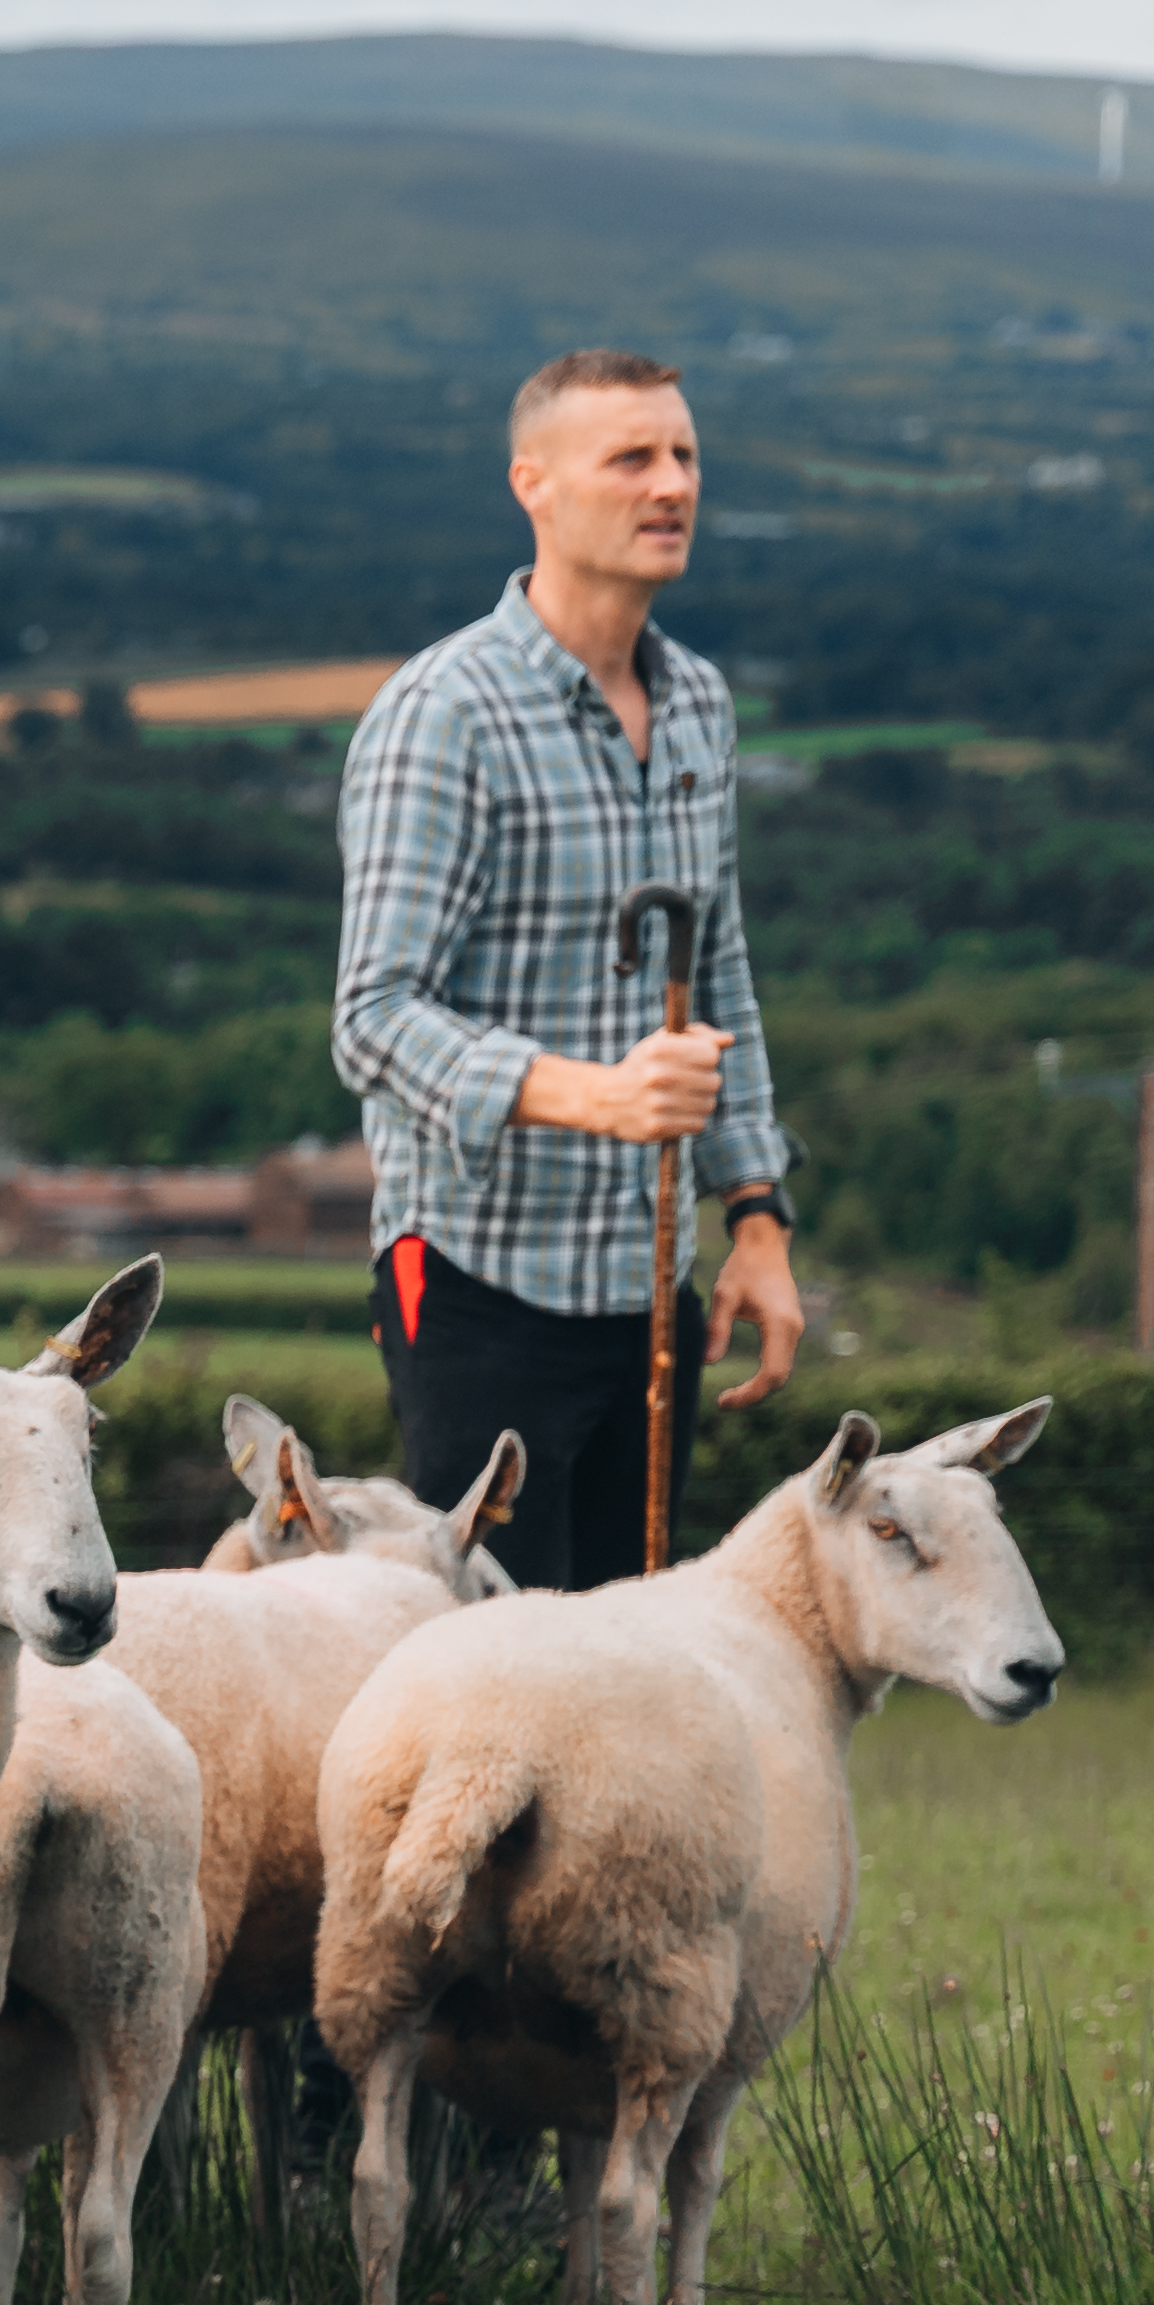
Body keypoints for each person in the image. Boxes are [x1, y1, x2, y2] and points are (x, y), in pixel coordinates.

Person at [328, 347, 802, 1592]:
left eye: (684, 455)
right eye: (632, 457)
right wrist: (596, 1096)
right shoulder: (447, 714)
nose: (672, 484)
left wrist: (757, 1216)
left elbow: (720, 972)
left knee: (627, 1660)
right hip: (481, 1285)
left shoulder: (698, 703)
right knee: (495, 1664)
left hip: (651, 1290)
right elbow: (372, 1019)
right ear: (532, 485)